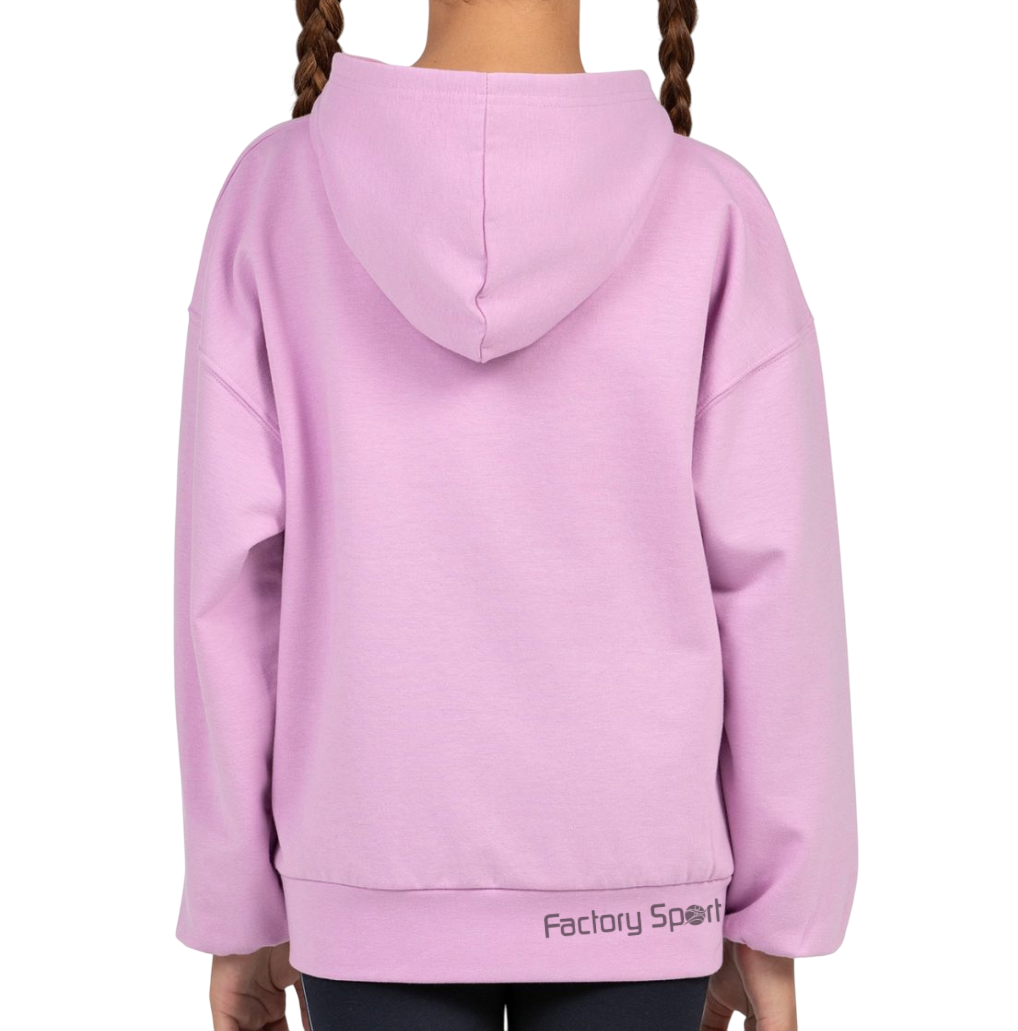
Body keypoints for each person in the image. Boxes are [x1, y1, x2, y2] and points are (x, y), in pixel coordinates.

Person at [171, 1, 858, 1028]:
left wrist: (241, 902)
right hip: (640, 893)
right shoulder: (712, 210)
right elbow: (775, 591)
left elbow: (225, 592)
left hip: (365, 878)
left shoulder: (271, 197)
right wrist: (772, 915)